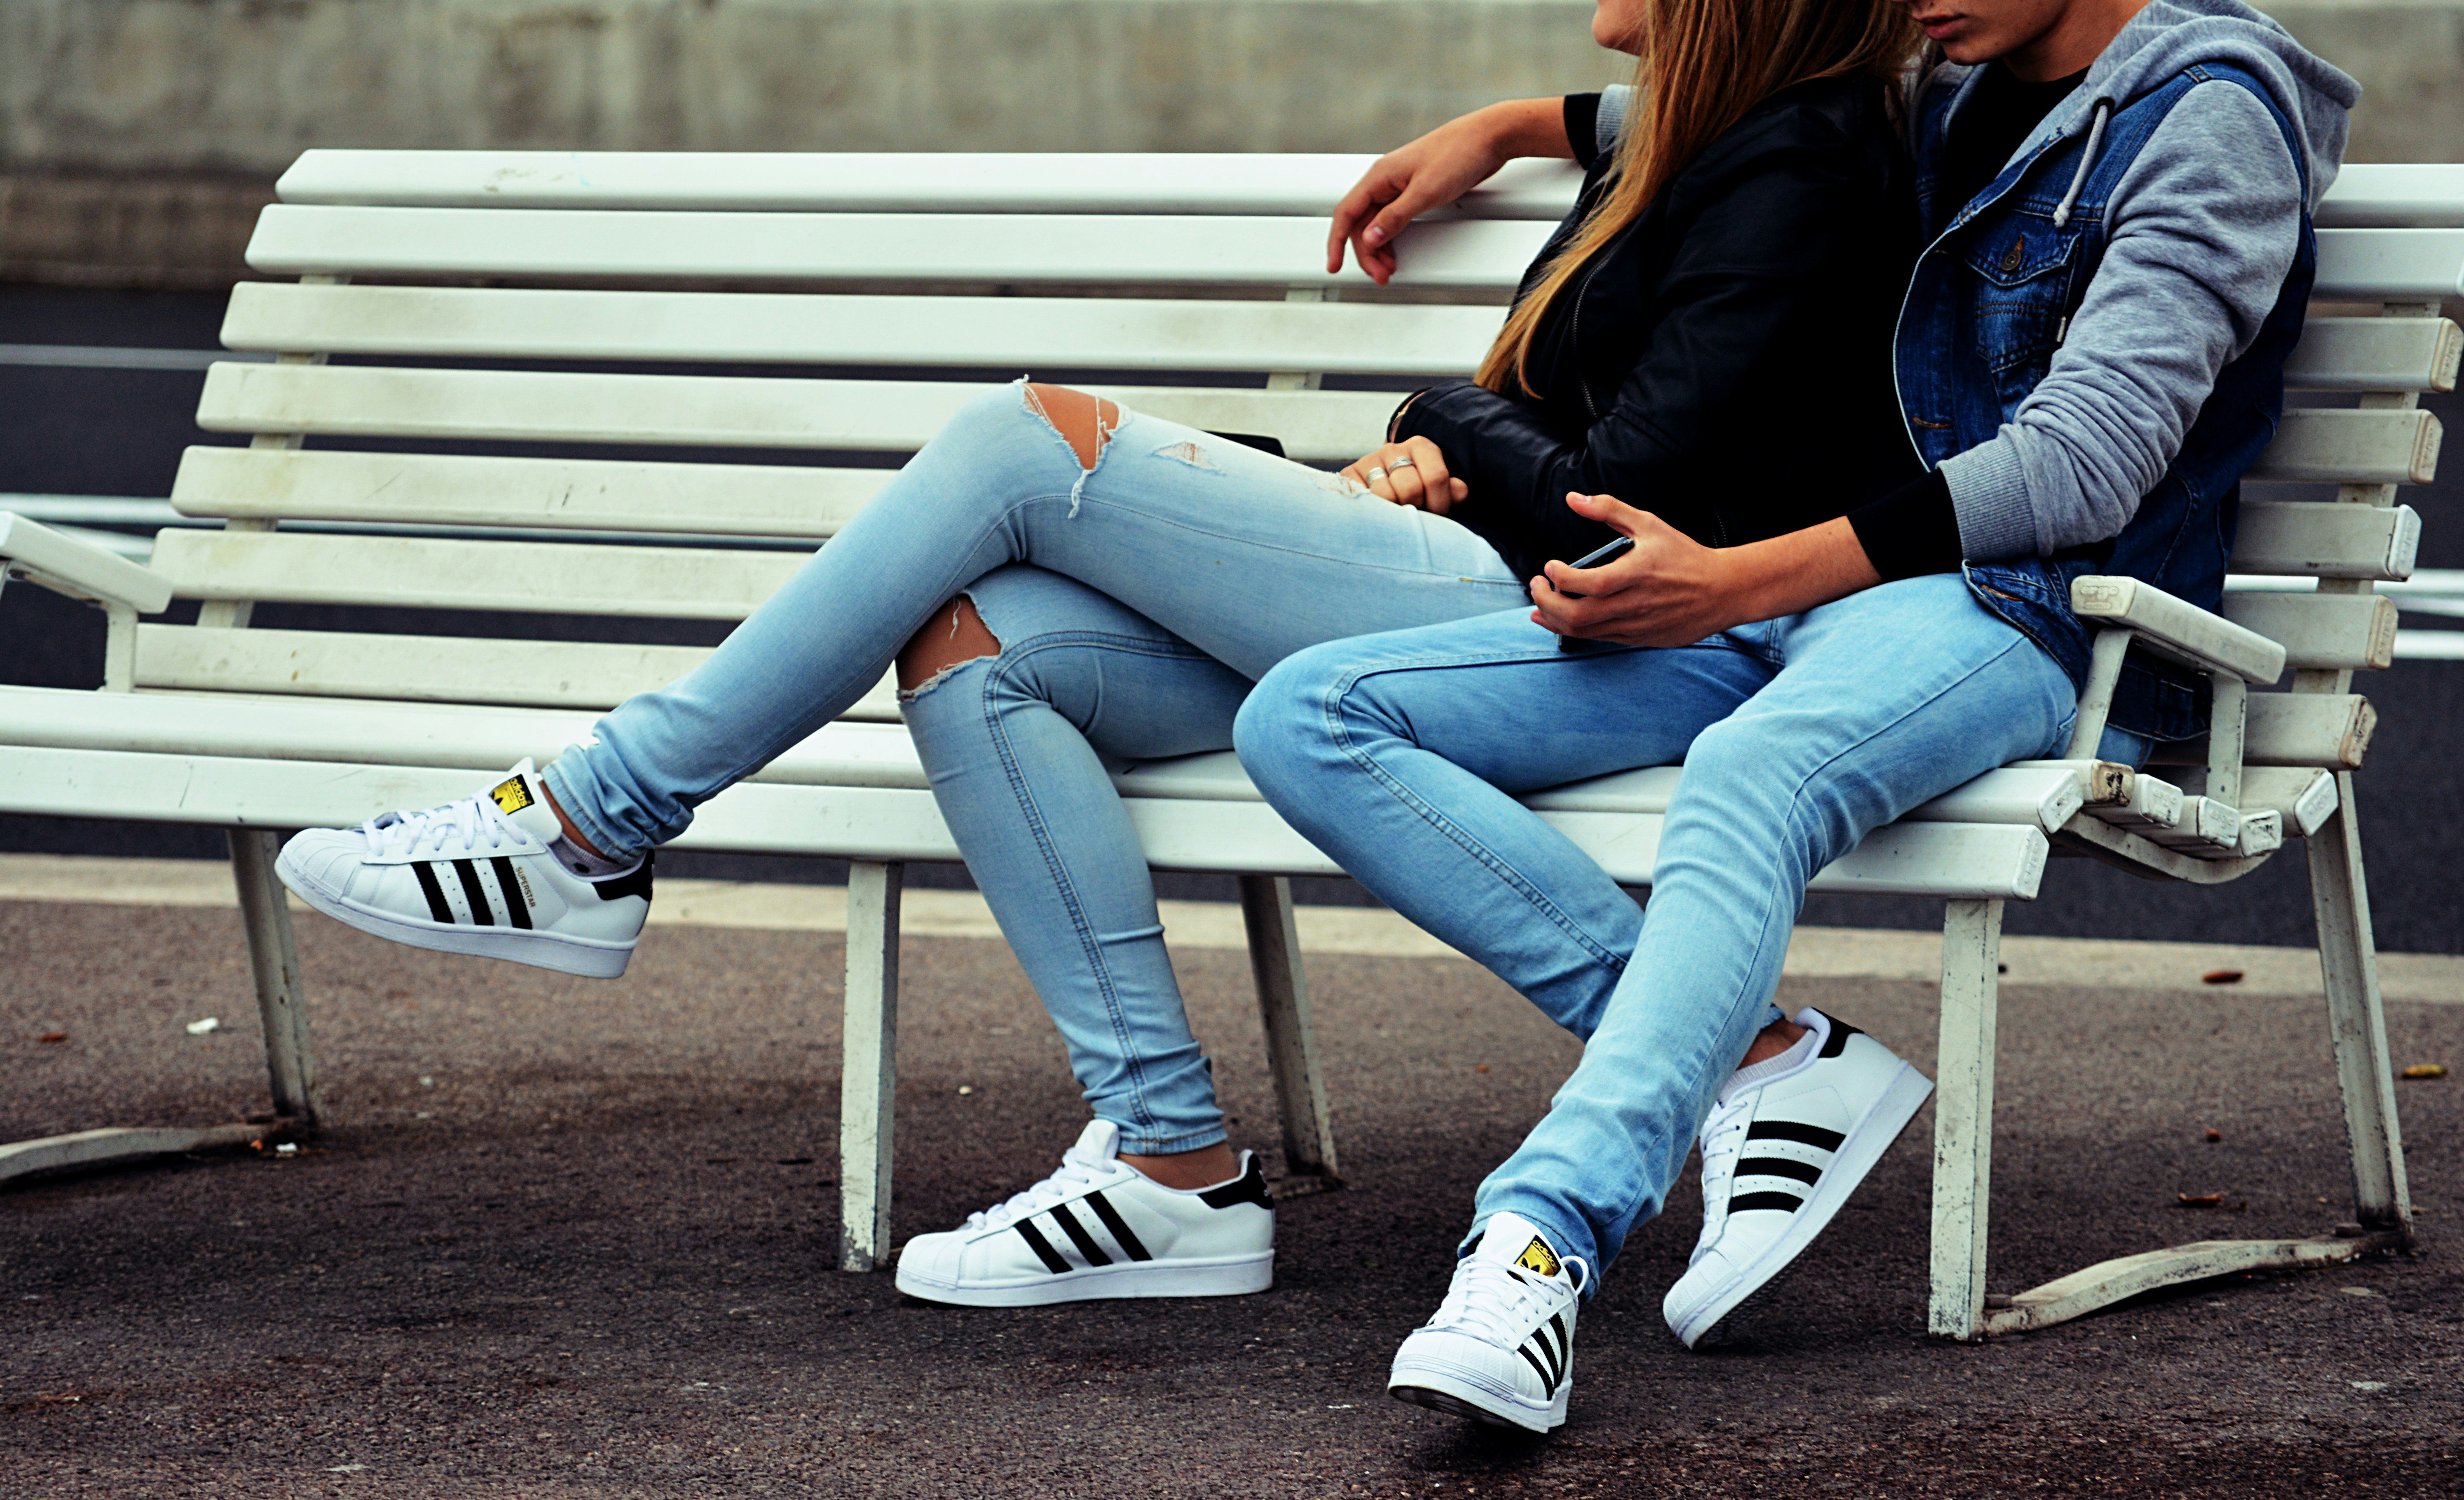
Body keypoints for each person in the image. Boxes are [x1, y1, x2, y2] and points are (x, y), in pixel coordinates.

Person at [270, 0, 1924, 1313]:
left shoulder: (1802, 163)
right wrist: (1510, 125)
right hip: (1476, 584)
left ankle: (590, 820)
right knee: (981, 646)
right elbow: (1676, 141)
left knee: (1023, 443)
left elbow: (1618, 500)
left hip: (1578, 622)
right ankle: (1173, 1167)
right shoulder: (1711, 132)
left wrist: (1437, 422)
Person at [1234, 0, 2352, 1435]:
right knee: (1312, 714)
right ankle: (1766, 1058)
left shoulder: (2207, 119)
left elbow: (2087, 461)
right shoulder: (1959, 78)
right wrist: (1512, 127)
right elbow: (1748, 113)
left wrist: (1730, 582)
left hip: (2032, 620)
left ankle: (1538, 1241)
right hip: (1799, 599)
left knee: (1747, 772)